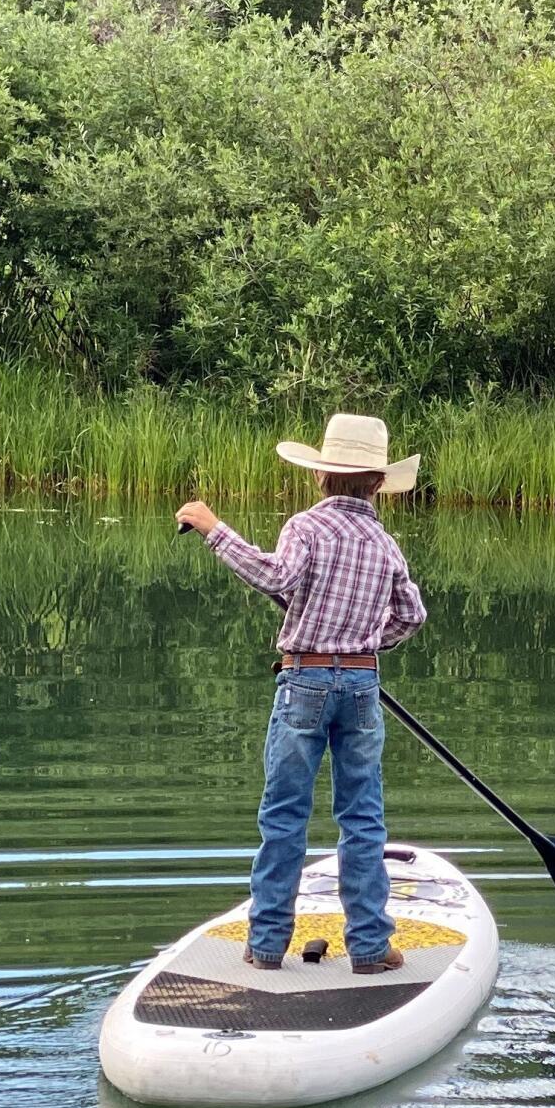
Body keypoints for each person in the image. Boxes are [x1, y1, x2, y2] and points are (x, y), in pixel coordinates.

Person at [176, 413, 427, 975]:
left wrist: (215, 528)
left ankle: (266, 947)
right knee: (362, 819)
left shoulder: (306, 527)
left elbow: (275, 578)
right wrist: (362, 644)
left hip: (304, 681)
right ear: (379, 483)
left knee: (285, 815)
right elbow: (412, 615)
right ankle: (368, 949)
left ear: (321, 477)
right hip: (362, 684)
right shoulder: (386, 545)